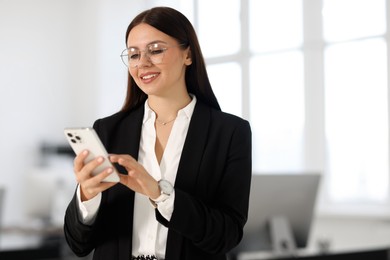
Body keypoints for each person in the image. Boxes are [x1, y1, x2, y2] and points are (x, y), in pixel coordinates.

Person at [64, 6, 252, 260]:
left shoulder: (229, 132)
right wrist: (87, 196)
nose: (142, 63)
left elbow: (226, 235)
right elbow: (78, 245)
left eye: (155, 50)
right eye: (133, 54)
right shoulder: (107, 130)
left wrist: (160, 193)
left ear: (188, 55)